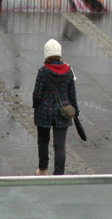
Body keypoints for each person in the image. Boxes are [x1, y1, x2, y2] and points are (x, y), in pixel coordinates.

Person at [32, 39, 79, 175]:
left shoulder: (43, 72)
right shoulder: (69, 71)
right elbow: (72, 94)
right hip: (63, 112)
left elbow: (37, 94)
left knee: (43, 142)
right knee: (60, 145)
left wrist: (35, 106)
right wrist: (76, 110)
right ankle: (59, 174)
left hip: (44, 112)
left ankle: (43, 170)